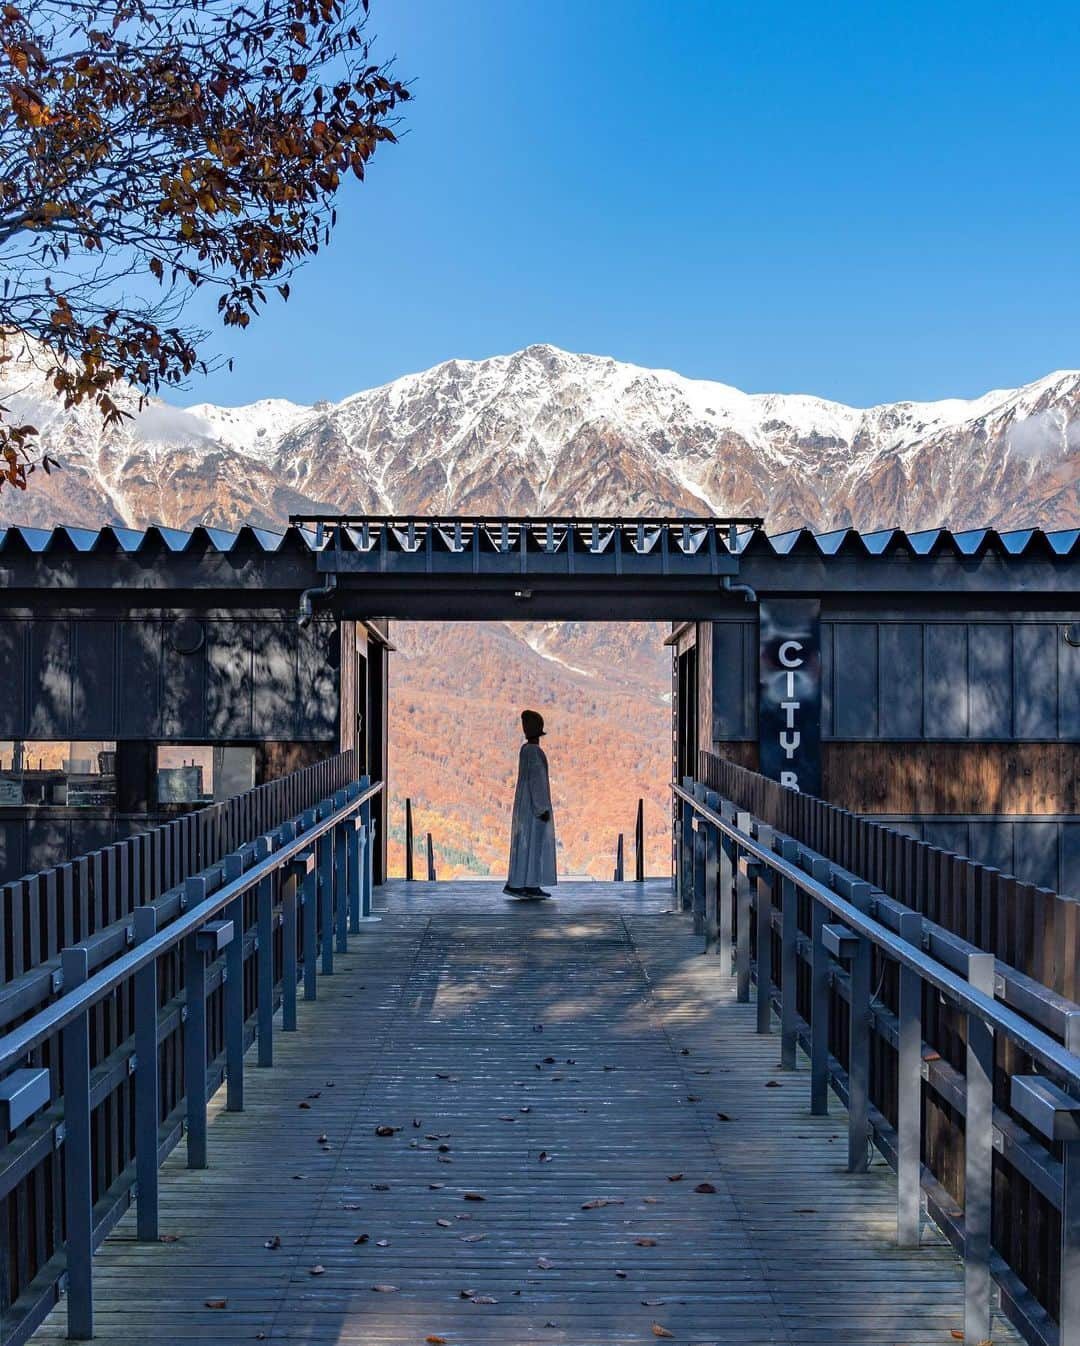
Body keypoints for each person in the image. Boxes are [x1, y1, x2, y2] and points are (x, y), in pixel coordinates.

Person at [504, 708, 557, 898]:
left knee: (524, 846)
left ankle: (520, 882)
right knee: (535, 846)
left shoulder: (525, 750)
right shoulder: (534, 752)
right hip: (535, 809)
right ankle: (531, 883)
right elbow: (538, 782)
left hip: (524, 807)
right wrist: (541, 808)